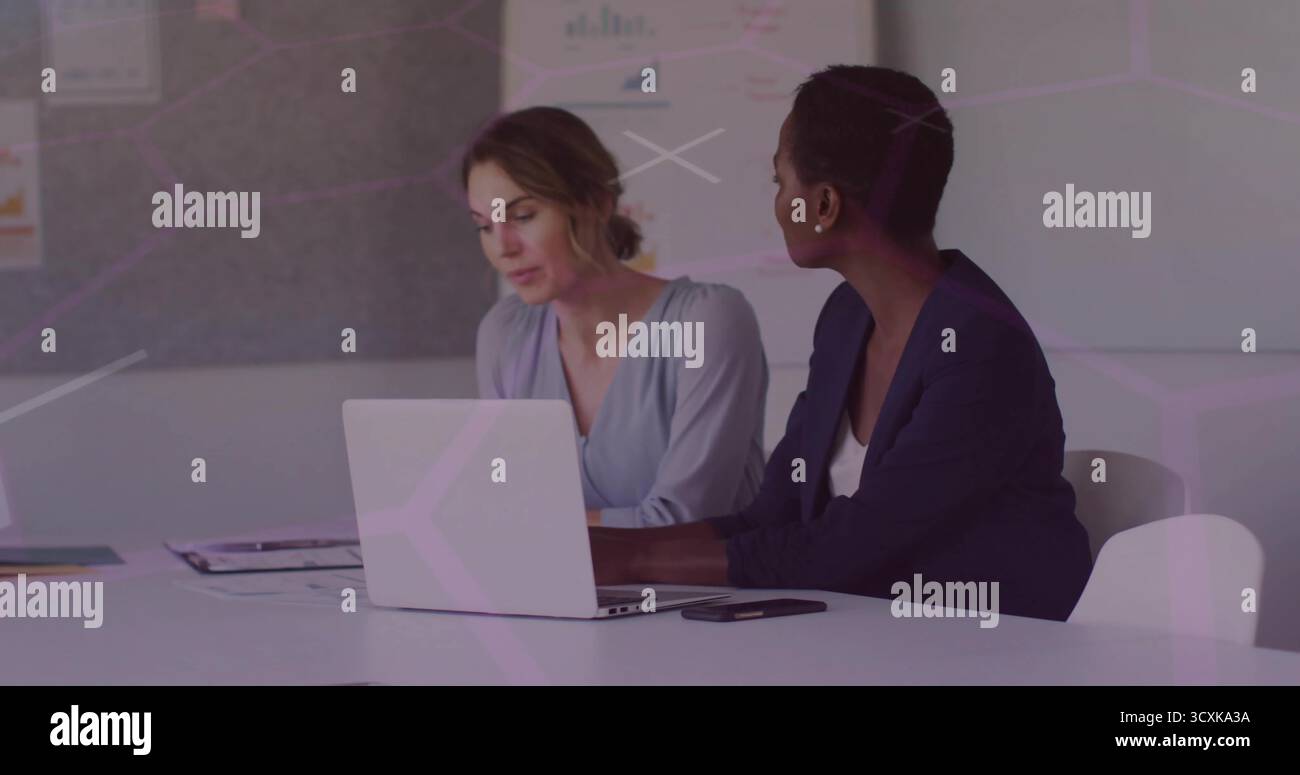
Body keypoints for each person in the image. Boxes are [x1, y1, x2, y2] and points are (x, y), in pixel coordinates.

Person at [588, 66, 1093, 621]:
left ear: (823, 205)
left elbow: (853, 547)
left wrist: (636, 560)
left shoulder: (979, 348)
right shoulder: (846, 319)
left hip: (1005, 648)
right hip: (871, 638)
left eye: (780, 182)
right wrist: (607, 550)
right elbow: (775, 517)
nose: (778, 201)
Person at [464, 106, 768, 529]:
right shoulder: (504, 333)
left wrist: (536, 525)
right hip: (556, 593)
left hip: (712, 595)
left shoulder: (707, 320)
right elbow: (506, 507)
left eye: (522, 216)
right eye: (484, 225)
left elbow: (687, 522)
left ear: (597, 204)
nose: (502, 246)